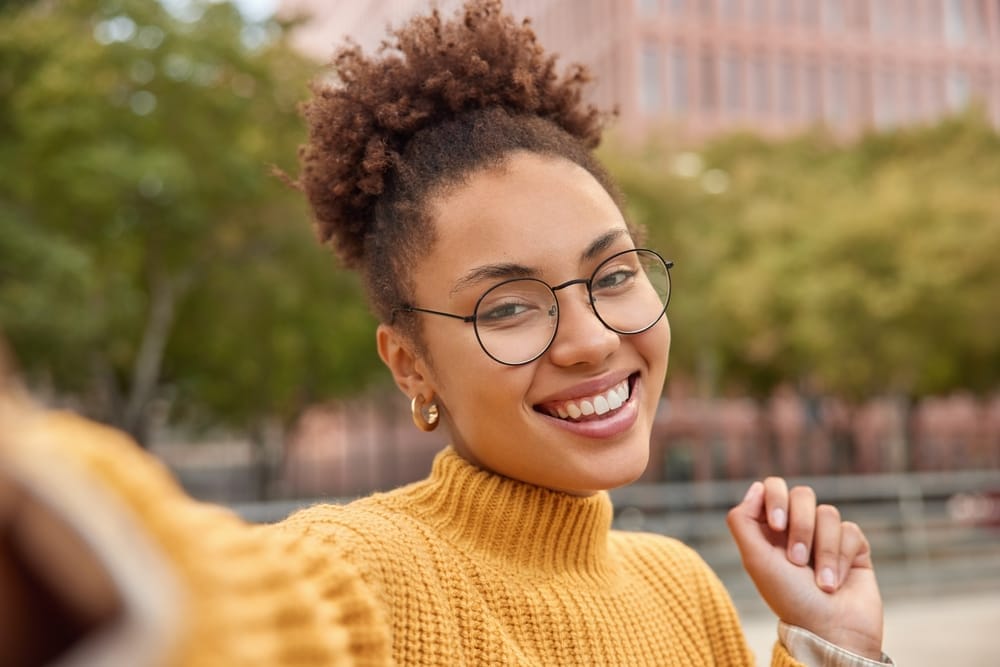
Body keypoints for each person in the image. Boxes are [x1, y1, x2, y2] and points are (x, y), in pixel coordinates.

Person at [0, 1, 889, 664]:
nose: (587, 339)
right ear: (410, 363)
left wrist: (830, 644)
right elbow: (232, 606)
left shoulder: (681, 586)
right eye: (508, 306)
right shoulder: (369, 570)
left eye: (613, 275)